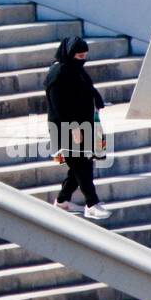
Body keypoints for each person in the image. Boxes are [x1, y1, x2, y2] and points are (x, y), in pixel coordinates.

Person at [44, 36, 110, 220]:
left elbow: (87, 90)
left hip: (84, 125)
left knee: (79, 165)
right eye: (80, 56)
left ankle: (62, 201)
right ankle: (92, 203)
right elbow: (59, 105)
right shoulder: (57, 74)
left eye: (85, 56)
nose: (83, 60)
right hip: (67, 128)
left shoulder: (74, 70)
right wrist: (73, 128)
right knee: (81, 165)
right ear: (70, 54)